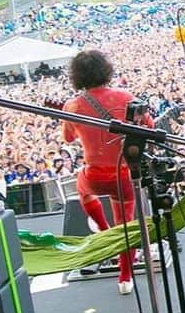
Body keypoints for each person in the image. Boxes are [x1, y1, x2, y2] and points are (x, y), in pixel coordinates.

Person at [61, 49, 153, 295]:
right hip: (124, 175)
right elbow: (150, 126)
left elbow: (68, 138)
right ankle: (125, 278)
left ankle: (103, 228)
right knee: (127, 226)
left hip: (95, 177)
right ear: (106, 70)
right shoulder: (125, 96)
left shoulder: (72, 106)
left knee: (82, 187)